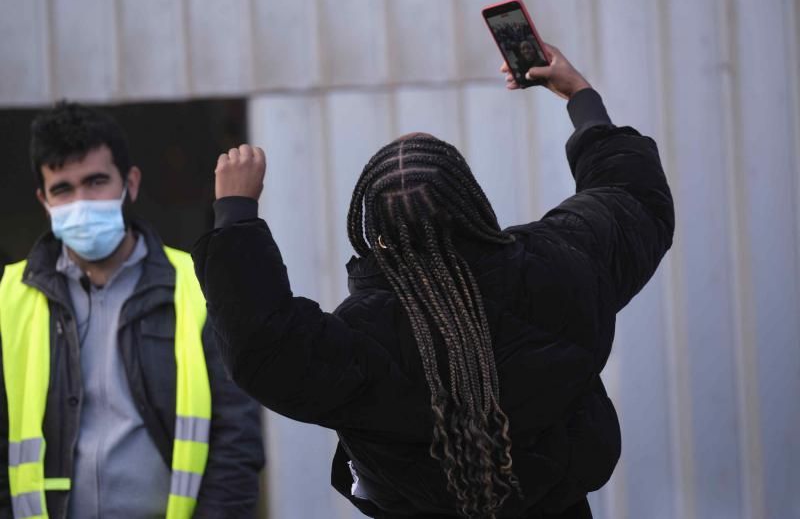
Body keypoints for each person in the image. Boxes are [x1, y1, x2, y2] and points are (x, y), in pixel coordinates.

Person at [192, 44, 674, 518]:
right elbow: (633, 196)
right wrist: (579, 95)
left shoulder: (360, 338)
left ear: (376, 241)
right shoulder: (559, 266)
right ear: (473, 208)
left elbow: (262, 344)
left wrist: (236, 215)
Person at [0, 102, 265, 518]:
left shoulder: (196, 285)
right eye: (63, 189)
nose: (81, 202)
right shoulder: (7, 297)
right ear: (43, 200)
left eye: (96, 181)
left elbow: (236, 437)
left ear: (131, 183)